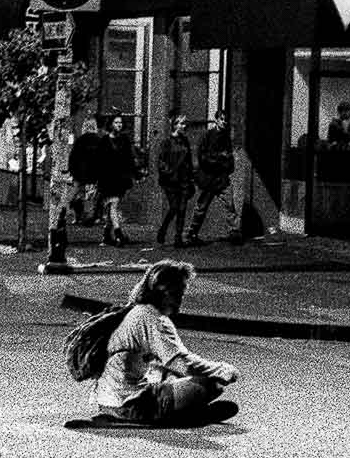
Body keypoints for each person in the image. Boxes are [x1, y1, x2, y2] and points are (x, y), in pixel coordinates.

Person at [93, 259, 241, 425]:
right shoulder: (153, 319)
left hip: (107, 401)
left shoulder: (138, 312)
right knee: (212, 383)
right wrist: (221, 369)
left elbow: (160, 364)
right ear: (163, 291)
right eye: (178, 293)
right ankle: (180, 415)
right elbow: (182, 363)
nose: (181, 298)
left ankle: (176, 409)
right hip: (129, 403)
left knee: (173, 375)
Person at [185, 109, 240, 245]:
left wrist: (220, 160)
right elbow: (203, 158)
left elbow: (229, 160)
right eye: (221, 119)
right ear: (216, 120)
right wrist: (220, 159)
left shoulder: (226, 138)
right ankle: (192, 233)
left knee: (230, 205)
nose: (224, 122)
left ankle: (233, 232)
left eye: (225, 120)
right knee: (201, 207)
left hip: (221, 179)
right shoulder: (208, 136)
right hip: (209, 179)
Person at [96, 114, 138, 247]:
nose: (119, 125)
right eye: (116, 122)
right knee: (113, 205)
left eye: (120, 123)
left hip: (120, 178)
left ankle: (107, 235)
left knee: (111, 206)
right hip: (107, 178)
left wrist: (134, 174)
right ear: (111, 124)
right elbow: (99, 160)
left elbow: (130, 159)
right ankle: (118, 234)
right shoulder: (104, 141)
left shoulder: (124, 140)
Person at [153, 113, 194, 247]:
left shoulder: (185, 141)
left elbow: (188, 160)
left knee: (182, 208)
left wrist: (191, 177)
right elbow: (161, 162)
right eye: (181, 123)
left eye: (184, 123)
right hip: (170, 181)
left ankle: (178, 238)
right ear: (175, 125)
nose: (184, 126)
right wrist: (169, 172)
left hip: (184, 179)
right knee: (174, 207)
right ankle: (163, 230)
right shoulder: (167, 142)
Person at [68, 116, 104, 225]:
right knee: (97, 197)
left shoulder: (80, 141)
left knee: (77, 196)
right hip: (96, 174)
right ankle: (95, 216)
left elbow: (73, 159)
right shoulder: (99, 140)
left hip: (80, 174)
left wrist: (72, 172)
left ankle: (78, 216)